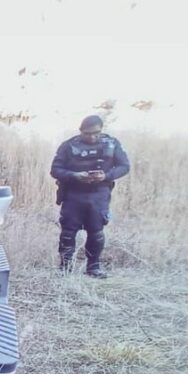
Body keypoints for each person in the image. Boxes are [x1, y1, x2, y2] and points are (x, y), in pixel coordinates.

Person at [49, 115, 131, 278]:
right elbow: (55, 170)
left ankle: (93, 267)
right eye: (87, 133)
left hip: (99, 195)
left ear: (101, 130)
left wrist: (106, 176)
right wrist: (75, 175)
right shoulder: (68, 146)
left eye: (96, 133)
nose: (92, 137)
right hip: (73, 194)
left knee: (96, 231)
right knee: (68, 232)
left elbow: (124, 166)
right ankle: (65, 267)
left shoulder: (112, 144)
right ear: (81, 131)